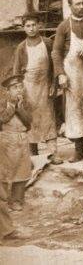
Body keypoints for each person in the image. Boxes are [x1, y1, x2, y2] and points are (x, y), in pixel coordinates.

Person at [51, 0, 83, 162]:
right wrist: (60, 74)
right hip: (72, 74)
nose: (82, 7)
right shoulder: (64, 26)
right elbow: (56, 52)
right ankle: (78, 150)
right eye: (78, 4)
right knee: (73, 110)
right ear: (70, 6)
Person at [12, 13, 59, 163]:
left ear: (39, 26)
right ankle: (34, 154)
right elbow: (17, 71)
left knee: (48, 117)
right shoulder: (21, 47)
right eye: (28, 26)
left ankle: (53, 153)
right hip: (28, 87)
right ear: (24, 28)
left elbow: (54, 66)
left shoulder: (47, 43)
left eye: (34, 25)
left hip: (45, 85)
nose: (31, 29)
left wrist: (54, 84)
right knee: (30, 119)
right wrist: (18, 91)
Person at [0, 72, 32, 213]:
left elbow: (29, 122)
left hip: (22, 138)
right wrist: (12, 106)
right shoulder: (2, 103)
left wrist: (20, 108)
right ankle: (3, 201)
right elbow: (2, 120)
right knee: (6, 172)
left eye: (20, 87)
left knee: (22, 170)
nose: (19, 90)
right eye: (15, 87)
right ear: (7, 90)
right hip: (7, 139)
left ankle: (17, 201)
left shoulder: (24, 102)